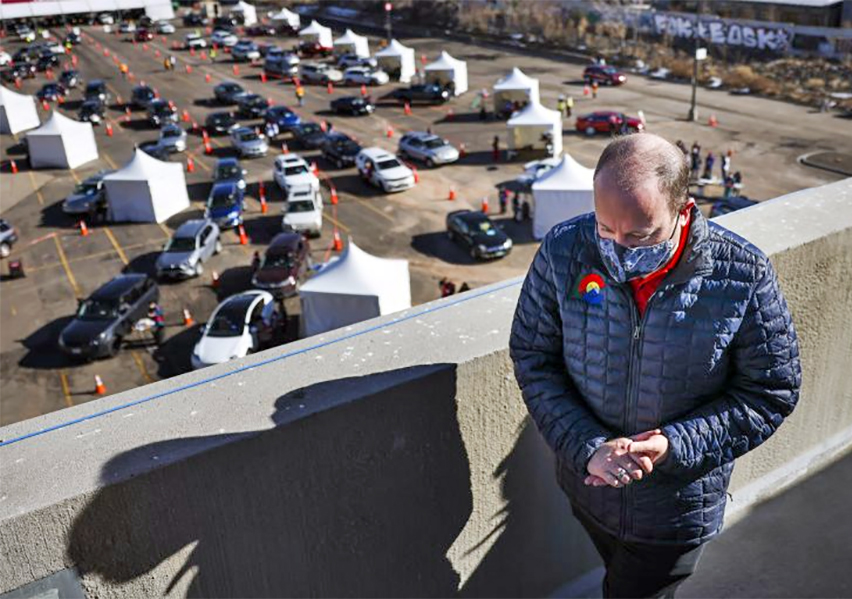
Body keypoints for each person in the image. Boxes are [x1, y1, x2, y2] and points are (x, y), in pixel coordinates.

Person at [510, 133, 801, 599]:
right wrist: (590, 448)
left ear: (683, 211)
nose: (620, 250)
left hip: (677, 511)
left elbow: (771, 391)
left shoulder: (743, 274)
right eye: (606, 229)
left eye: (641, 235)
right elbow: (533, 356)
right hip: (589, 489)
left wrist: (672, 445)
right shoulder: (564, 249)